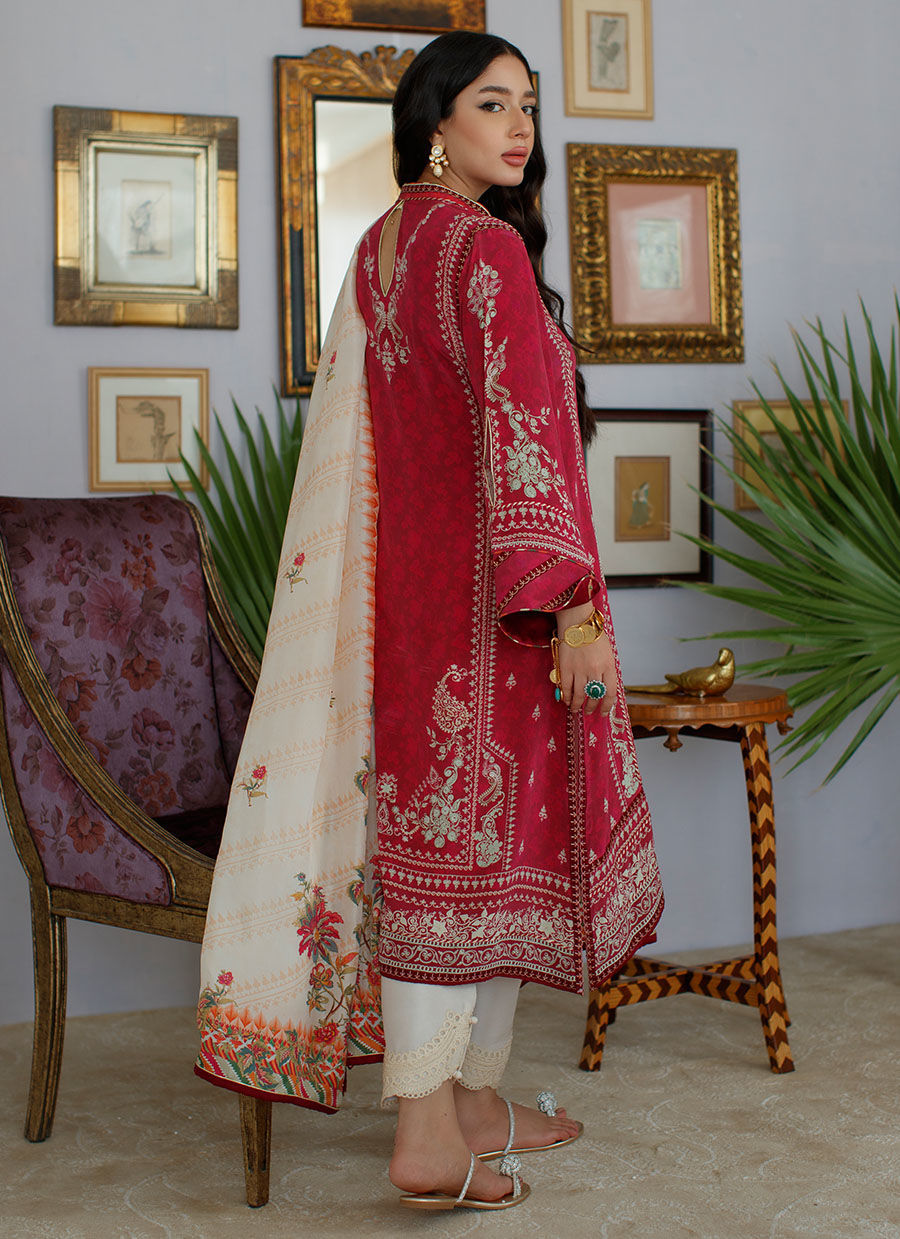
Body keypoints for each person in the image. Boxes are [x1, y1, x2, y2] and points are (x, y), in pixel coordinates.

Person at [196, 31, 663, 1214]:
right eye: (492, 104)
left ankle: (465, 1103)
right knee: (470, 865)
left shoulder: (383, 246)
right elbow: (525, 431)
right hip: (503, 612)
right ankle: (424, 1133)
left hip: (404, 605)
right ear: (435, 122)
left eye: (530, 106)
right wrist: (568, 609)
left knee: (446, 854)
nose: (521, 127)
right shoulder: (485, 248)